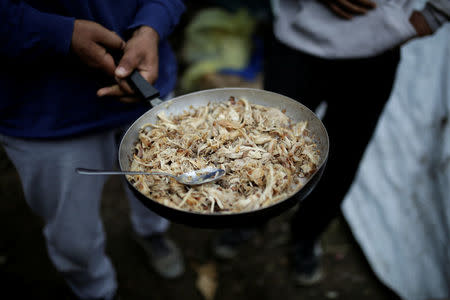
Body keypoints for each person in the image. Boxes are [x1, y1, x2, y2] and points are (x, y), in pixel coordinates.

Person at [213, 0, 450, 287]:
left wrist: (435, 14)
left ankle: (307, 234)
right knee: (265, 144)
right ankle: (249, 217)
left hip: (376, 50)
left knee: (342, 156)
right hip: (296, 40)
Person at [0, 1, 185, 299]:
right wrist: (55, 33)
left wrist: (153, 23)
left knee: (168, 187)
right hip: (45, 107)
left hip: (146, 83)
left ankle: (152, 232)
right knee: (74, 237)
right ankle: (94, 289)